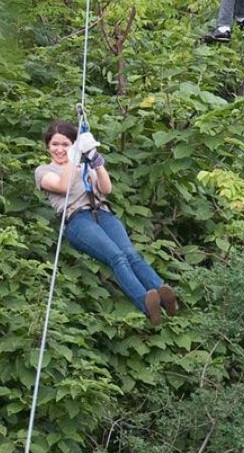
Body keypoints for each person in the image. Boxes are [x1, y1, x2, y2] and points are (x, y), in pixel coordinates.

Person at [34, 119, 177, 325]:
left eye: (65, 144)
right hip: (78, 221)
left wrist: (95, 161)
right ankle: (145, 304)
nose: (60, 149)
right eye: (55, 144)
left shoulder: (83, 166)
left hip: (102, 213)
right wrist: (74, 156)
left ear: (73, 144)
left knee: (130, 254)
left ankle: (163, 295)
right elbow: (63, 186)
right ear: (48, 145)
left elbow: (106, 188)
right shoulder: (44, 171)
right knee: (116, 256)